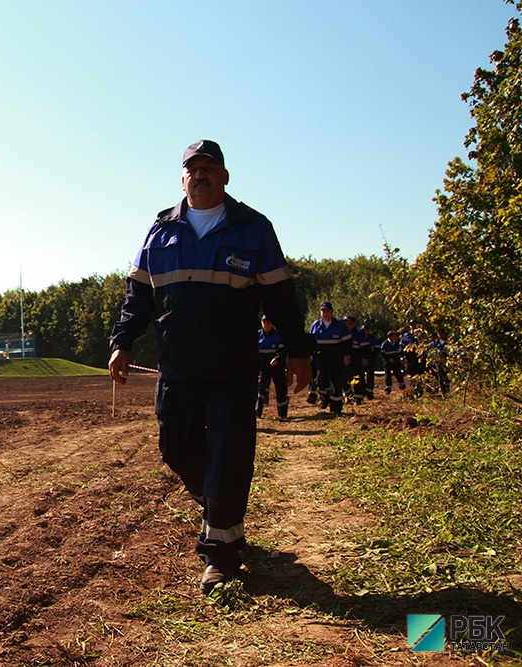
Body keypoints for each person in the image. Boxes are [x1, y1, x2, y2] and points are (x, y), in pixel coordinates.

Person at [109, 140, 312, 594]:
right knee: (176, 452)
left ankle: (221, 554)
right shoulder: (159, 233)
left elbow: (281, 298)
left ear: (224, 176)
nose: (199, 175)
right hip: (177, 369)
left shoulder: (253, 229)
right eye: (191, 169)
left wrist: (299, 349)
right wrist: (121, 344)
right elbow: (136, 300)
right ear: (182, 179)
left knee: (227, 455)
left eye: (208, 168)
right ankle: (218, 504)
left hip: (232, 371)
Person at [309, 302, 352, 415]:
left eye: (327, 311)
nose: (325, 314)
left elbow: (347, 342)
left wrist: (347, 355)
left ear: (332, 312)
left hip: (336, 358)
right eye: (323, 311)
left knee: (336, 382)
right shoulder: (316, 325)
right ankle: (324, 398)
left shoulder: (340, 324)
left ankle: (336, 407)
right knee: (321, 379)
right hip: (320, 358)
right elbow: (310, 343)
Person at [256, 315, 289, 420]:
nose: (266, 325)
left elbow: (283, 351)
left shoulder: (278, 335)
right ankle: (258, 411)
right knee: (260, 388)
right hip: (263, 366)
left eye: (268, 323)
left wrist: (277, 359)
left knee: (281, 388)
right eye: (264, 323)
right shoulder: (258, 335)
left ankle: (282, 413)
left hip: (276, 366)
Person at [343, 315, 368, 405]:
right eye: (345, 323)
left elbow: (365, 347)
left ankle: (358, 398)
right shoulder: (341, 332)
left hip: (357, 358)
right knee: (343, 378)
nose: (347, 325)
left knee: (358, 378)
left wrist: (365, 358)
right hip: (345, 359)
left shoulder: (359, 333)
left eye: (349, 323)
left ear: (353, 324)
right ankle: (348, 395)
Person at [381, 330, 406, 394]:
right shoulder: (385, 344)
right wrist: (388, 359)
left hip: (396, 361)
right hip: (388, 362)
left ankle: (402, 384)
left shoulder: (397, 344)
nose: (395, 337)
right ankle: (388, 387)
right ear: (390, 337)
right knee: (388, 375)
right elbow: (382, 353)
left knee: (398, 373)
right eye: (394, 336)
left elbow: (400, 352)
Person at [361, 325, 380, 400]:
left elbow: (377, 350)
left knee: (370, 377)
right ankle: (362, 390)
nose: (365, 332)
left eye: (366, 330)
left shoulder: (373, 339)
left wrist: (371, 358)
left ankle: (370, 392)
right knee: (360, 376)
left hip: (371, 360)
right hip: (361, 360)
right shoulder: (360, 338)